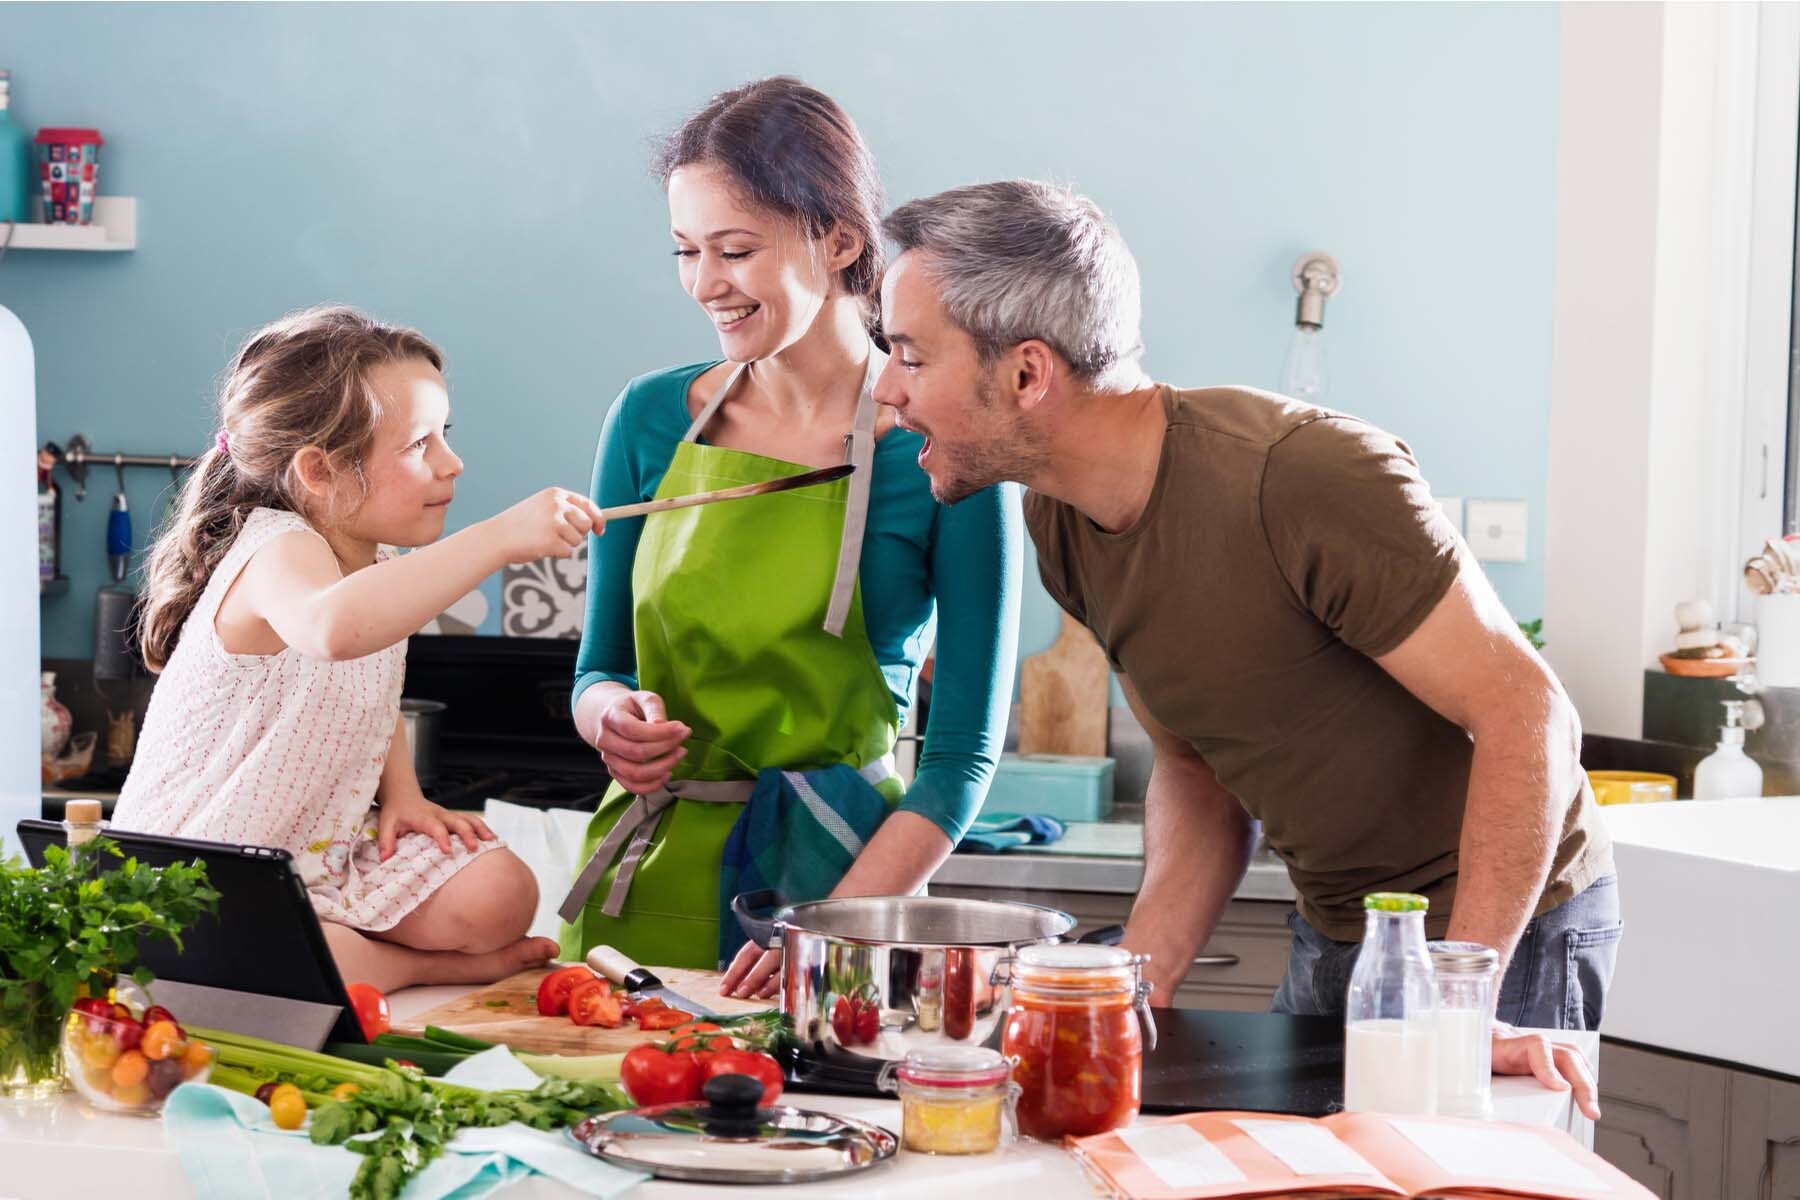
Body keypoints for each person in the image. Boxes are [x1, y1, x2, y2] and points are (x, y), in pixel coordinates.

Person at [870, 179, 1616, 1117]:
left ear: (1026, 373)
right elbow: (1194, 766)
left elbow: (1528, 714)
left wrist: (1460, 1008)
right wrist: (1136, 987)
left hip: (1504, 931)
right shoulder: (1059, 518)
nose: (886, 388)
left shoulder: (1300, 477)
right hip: (1340, 925)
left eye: (906, 354)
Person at [557, 78, 1021, 998]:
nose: (705, 285)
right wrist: (609, 720)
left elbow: (963, 755)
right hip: (641, 891)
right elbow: (596, 667)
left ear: (841, 239)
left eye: (735, 250)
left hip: (842, 896)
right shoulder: (650, 419)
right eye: (686, 251)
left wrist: (831, 933)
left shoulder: (942, 443)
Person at [114, 304, 605, 993]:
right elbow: (333, 630)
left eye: (446, 436)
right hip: (201, 874)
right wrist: (498, 538)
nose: (452, 464)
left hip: (315, 854)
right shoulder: (275, 550)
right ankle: (405, 967)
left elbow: (365, 689)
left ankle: (345, 947)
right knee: (279, 955)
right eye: (419, 446)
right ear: (320, 470)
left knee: (500, 889)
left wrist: (402, 794)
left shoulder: (378, 566)